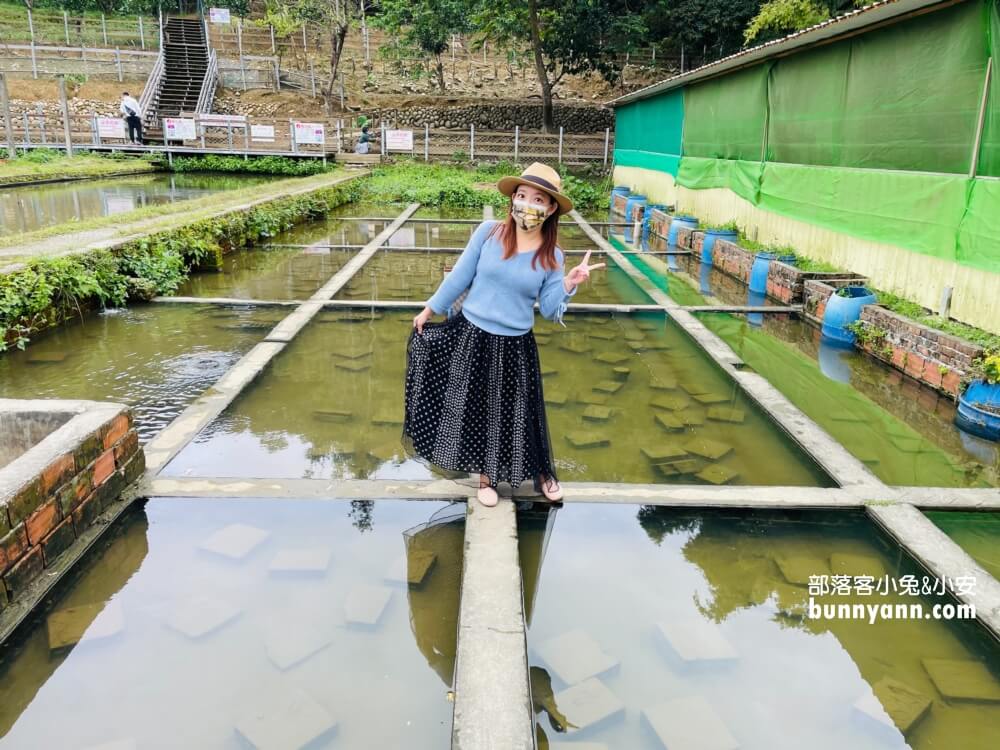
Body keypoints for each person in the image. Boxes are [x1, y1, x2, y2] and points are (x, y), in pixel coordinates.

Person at [403, 162, 605, 508]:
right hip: (472, 335)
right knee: (479, 409)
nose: (527, 205)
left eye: (538, 199)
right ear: (512, 199)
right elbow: (460, 278)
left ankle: (543, 473)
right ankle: (486, 477)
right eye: (522, 195)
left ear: (551, 207)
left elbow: (549, 309)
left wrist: (570, 283)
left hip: (515, 345)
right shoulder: (488, 234)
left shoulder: (552, 255)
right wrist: (429, 309)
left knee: (520, 412)